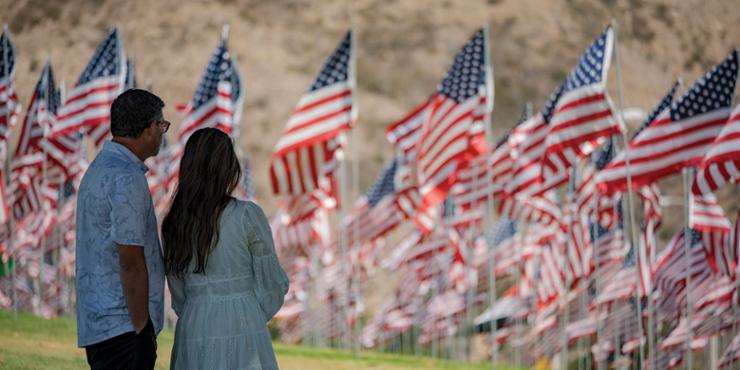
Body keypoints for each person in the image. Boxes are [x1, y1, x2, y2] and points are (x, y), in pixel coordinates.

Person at [162, 127, 289, 370]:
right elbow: (273, 282)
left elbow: (177, 290)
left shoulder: (174, 221)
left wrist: (200, 305)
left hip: (195, 320)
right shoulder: (246, 216)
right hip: (242, 319)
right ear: (227, 167)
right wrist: (251, 310)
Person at [75, 89, 169, 370]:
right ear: (148, 128)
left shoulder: (100, 168)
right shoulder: (127, 178)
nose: (163, 132)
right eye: (162, 125)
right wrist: (142, 327)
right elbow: (130, 260)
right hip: (124, 326)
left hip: (103, 323)